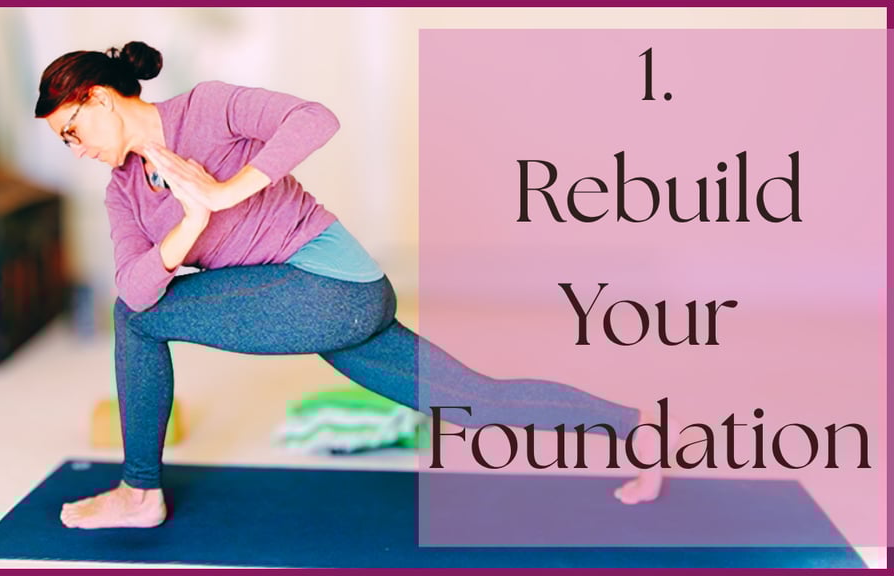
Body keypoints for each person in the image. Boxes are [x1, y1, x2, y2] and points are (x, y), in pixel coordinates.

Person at [35, 41, 680, 530]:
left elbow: (315, 119)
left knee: (133, 319)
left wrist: (226, 190)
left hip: (330, 286)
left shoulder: (207, 108)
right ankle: (633, 427)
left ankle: (141, 491)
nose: (76, 148)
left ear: (98, 96)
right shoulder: (123, 190)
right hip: (315, 300)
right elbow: (138, 284)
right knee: (468, 403)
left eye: (72, 130)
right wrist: (195, 219)